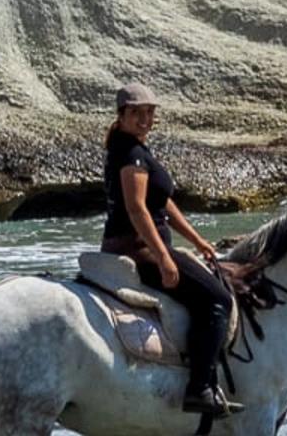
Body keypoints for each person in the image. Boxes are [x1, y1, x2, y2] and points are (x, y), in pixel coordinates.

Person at [101, 82, 243, 417]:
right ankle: (199, 389)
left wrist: (196, 240)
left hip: (140, 243)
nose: (145, 119)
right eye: (136, 113)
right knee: (218, 300)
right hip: (138, 248)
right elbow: (138, 210)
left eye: (149, 112)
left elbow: (162, 202)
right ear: (121, 116)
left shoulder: (133, 148)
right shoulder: (132, 154)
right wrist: (164, 257)